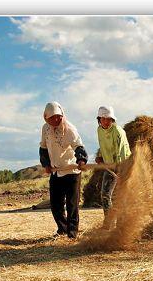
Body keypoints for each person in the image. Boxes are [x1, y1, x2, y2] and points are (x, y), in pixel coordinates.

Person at [39, 101, 88, 239]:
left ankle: (72, 233)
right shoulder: (45, 129)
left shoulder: (69, 129)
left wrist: (81, 160)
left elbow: (78, 146)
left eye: (58, 116)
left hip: (71, 171)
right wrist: (46, 164)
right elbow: (43, 147)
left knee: (72, 205)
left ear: (62, 115)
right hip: (56, 171)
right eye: (52, 117)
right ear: (46, 118)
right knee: (56, 205)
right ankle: (62, 228)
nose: (55, 120)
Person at [95, 106, 131, 229]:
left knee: (120, 195)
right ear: (99, 119)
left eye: (109, 119)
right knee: (105, 194)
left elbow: (121, 152)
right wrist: (100, 156)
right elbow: (102, 145)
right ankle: (109, 223)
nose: (106, 121)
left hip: (122, 164)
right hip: (109, 165)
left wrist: (121, 172)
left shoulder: (118, 131)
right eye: (103, 119)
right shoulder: (99, 130)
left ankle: (121, 225)